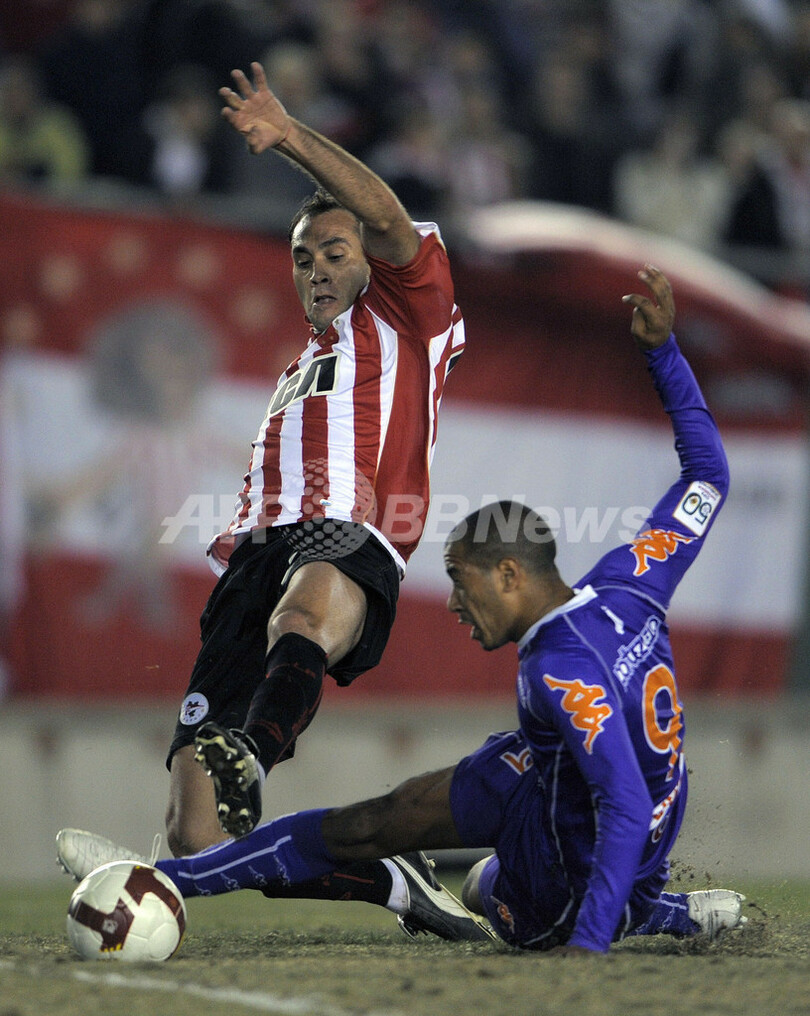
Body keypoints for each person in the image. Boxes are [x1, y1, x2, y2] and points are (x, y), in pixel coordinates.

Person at [58, 267, 747, 953]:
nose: (453, 604)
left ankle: (656, 913)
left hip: (584, 852)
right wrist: (662, 352)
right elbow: (708, 474)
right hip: (555, 777)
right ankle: (175, 877)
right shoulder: (635, 579)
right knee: (383, 820)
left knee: (490, 890)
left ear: (510, 575)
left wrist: (588, 951)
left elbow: (624, 806)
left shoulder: (564, 672)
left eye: (462, 583)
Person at [165, 61, 465, 854]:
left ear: (370, 262)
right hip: (255, 554)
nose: (317, 269)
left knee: (300, 617)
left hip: (345, 530)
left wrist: (289, 136)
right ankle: (386, 879)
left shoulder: (407, 315)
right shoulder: (300, 367)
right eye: (303, 258)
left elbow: (389, 218)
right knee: (194, 834)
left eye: (334, 251)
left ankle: (254, 755)